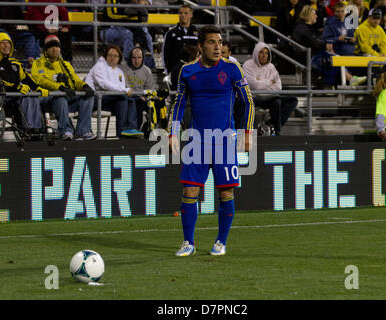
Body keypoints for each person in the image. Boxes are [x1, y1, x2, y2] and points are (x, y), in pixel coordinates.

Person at [169, 25, 254, 257]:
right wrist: (173, 133)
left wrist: (247, 132)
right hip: (197, 141)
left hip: (224, 140)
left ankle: (221, 241)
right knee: (190, 191)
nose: (218, 47)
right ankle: (188, 242)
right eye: (211, 42)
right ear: (200, 46)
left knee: (226, 192)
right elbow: (177, 104)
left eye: (220, 42)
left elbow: (247, 101)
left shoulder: (232, 68)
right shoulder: (187, 71)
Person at [31, 35, 96, 141]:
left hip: (67, 98)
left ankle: (83, 131)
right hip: (48, 100)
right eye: (50, 46)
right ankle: (65, 131)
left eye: (56, 46)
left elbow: (75, 80)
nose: (54, 49)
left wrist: (84, 86)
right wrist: (59, 87)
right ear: (45, 49)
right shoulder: (38, 63)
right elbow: (40, 80)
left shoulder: (66, 64)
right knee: (60, 97)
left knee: (88, 96)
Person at [0, 32, 48, 134]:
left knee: (33, 96)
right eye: (2, 43)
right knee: (26, 97)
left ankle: (37, 128)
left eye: (8, 43)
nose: (6, 46)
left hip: (17, 95)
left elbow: (26, 78)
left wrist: (38, 87)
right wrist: (16, 87)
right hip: (3, 98)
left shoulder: (16, 63)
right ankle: (29, 128)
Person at [85, 44, 144, 138]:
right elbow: (104, 84)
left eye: (115, 56)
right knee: (123, 97)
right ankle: (122, 130)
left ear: (119, 58)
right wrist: (124, 90)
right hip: (96, 98)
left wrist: (123, 91)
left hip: (111, 99)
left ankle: (130, 129)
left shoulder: (119, 72)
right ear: (106, 56)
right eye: (110, 55)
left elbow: (119, 90)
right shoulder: (99, 66)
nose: (112, 58)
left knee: (128, 100)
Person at [242, 42, 297, 135]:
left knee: (292, 100)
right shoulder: (247, 65)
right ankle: (277, 129)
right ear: (256, 53)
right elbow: (255, 85)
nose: (264, 55)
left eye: (266, 53)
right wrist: (269, 82)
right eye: (261, 52)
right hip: (253, 97)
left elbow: (278, 87)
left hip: (270, 97)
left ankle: (269, 124)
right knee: (276, 101)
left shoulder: (271, 67)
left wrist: (261, 82)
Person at [120, 46, 152, 131]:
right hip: (128, 96)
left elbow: (149, 90)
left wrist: (145, 97)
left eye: (139, 58)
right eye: (134, 58)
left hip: (142, 98)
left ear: (142, 58)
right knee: (136, 103)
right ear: (130, 58)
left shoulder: (147, 71)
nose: (136, 61)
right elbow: (122, 86)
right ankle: (134, 130)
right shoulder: (123, 69)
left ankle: (152, 130)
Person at [161, 4, 198, 75]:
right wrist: (168, 72)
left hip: (194, 72)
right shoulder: (171, 33)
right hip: (176, 72)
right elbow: (165, 53)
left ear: (191, 15)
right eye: (180, 13)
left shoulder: (198, 33)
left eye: (186, 13)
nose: (183, 15)